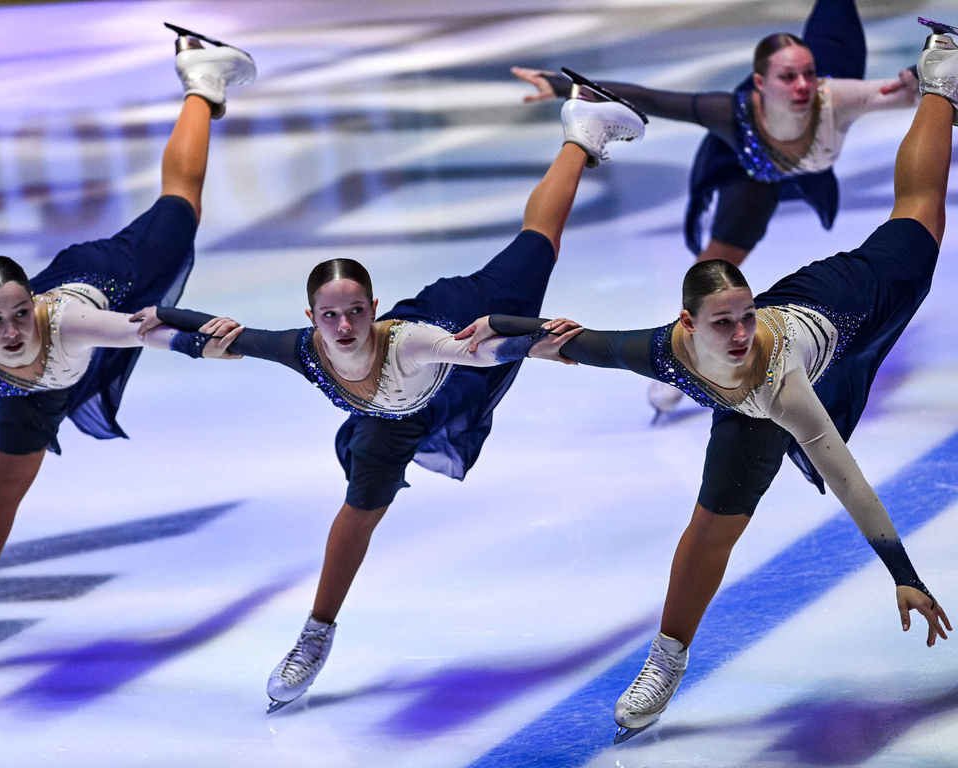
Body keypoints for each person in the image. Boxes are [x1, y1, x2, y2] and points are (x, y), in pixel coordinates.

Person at [467, 18, 957, 740]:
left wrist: (903, 573)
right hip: (753, 401)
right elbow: (573, 343)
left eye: (741, 316)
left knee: (919, 216)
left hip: (845, 302)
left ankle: (944, 72)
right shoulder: (667, 350)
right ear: (687, 328)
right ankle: (667, 659)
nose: (738, 331)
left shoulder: (779, 374)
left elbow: (847, 478)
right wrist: (496, 336)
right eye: (722, 322)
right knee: (711, 527)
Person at [134, 90, 647, 713]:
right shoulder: (304, 349)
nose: (345, 325)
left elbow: (482, 353)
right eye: (331, 315)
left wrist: (533, 339)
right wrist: (164, 317)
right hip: (389, 421)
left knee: (540, 243)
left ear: (374, 310)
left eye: (356, 311)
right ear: (312, 318)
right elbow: (228, 335)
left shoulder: (409, 341)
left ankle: (580, 133)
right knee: (359, 512)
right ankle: (316, 635)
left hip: (461, 330)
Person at [0, 25, 256, 677]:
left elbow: (144, 326)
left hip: (116, 276)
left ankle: (204, 82)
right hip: (40, 384)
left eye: (21, 314)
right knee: (6, 483)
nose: (13, 330)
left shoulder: (70, 325)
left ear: (34, 306)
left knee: (180, 205)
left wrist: (206, 341)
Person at [512, 0, 920, 416]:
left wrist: (925, 74)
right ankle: (685, 361)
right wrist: (564, 87)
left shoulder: (838, 97)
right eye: (787, 77)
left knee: (835, 14)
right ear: (759, 83)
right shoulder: (730, 114)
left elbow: (912, 91)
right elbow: (654, 99)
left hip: (812, 125)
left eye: (807, 75)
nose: (801, 87)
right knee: (715, 268)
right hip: (754, 168)